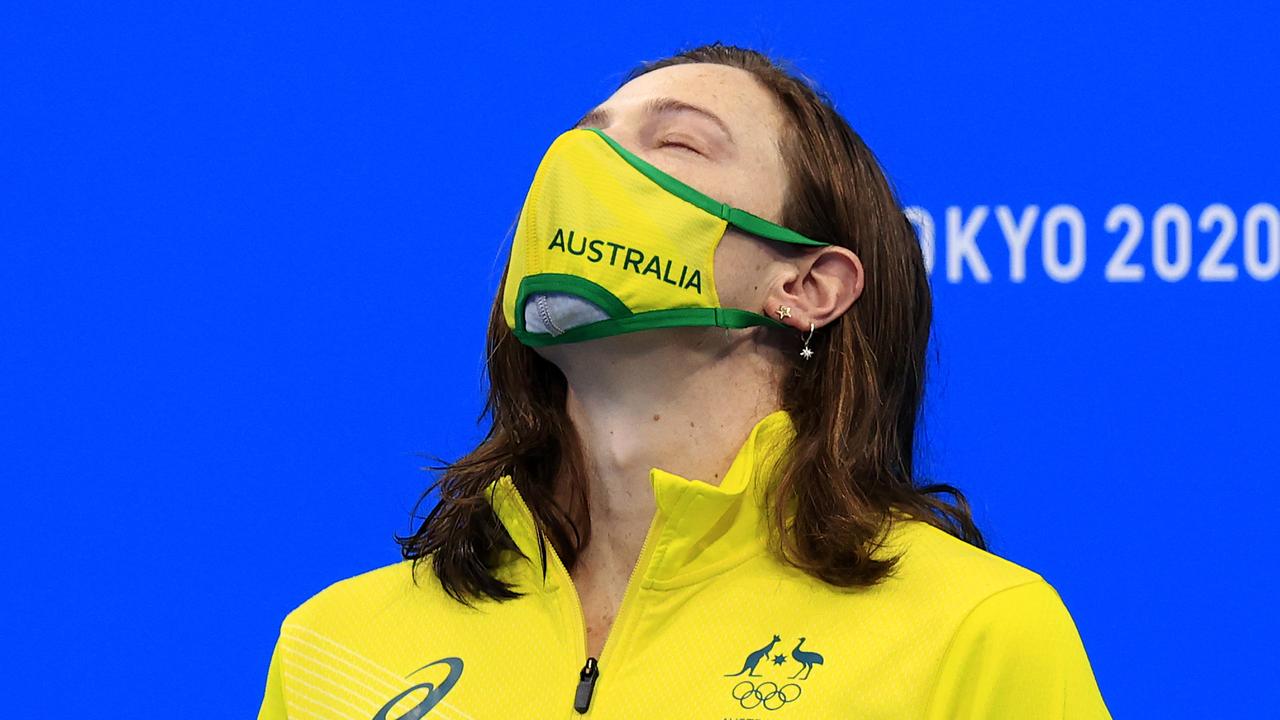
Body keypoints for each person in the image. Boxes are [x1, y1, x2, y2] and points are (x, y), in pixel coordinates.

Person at [257, 42, 1112, 718]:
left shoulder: (973, 631)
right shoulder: (335, 647)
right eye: (588, 140)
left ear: (805, 287)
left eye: (676, 142)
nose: (585, 169)